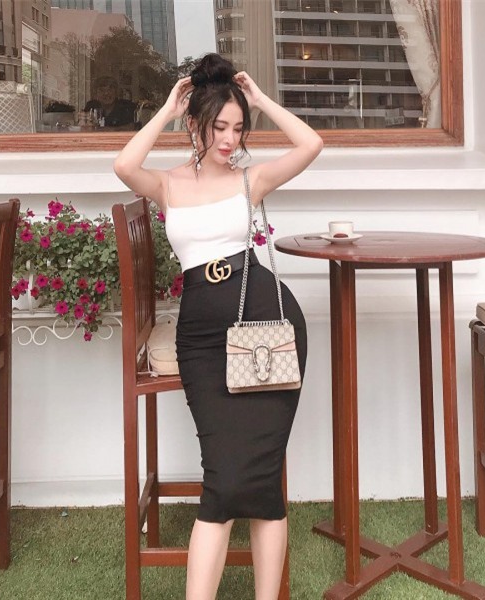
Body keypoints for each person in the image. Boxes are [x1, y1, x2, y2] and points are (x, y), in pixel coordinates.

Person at [114, 53, 323, 600]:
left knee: (262, 481)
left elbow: (311, 144)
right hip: (204, 335)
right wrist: (166, 109)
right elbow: (124, 165)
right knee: (223, 481)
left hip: (266, 326)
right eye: (218, 127)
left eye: (237, 128)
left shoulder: (250, 179)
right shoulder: (167, 184)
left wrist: (261, 100)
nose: (230, 139)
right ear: (195, 125)